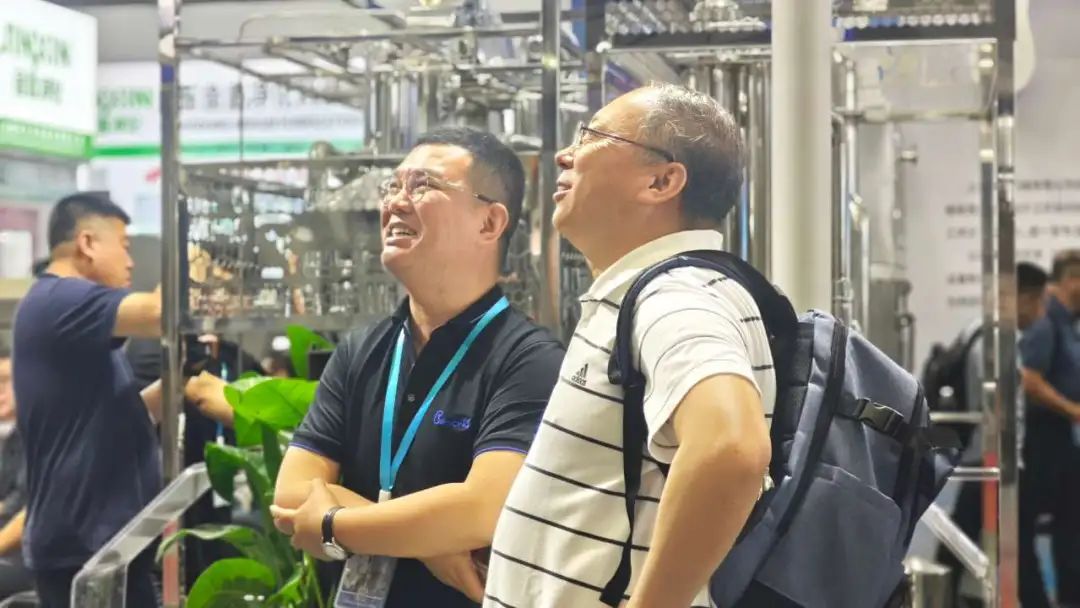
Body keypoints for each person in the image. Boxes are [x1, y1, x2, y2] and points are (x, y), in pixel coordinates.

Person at [483, 84, 774, 608]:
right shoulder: (656, 292)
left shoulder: (674, 295)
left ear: (661, 182)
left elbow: (732, 450)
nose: (565, 154)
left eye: (592, 137)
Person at [255, 127, 565, 607]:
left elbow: (482, 510)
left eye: (423, 186)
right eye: (393, 186)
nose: (396, 202)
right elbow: (292, 493)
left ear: (489, 222)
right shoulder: (362, 351)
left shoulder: (529, 359)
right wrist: (430, 545)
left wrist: (335, 523)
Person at [10, 193, 211, 608]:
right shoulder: (59, 300)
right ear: (87, 243)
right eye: (124, 245)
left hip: (113, 544)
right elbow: (160, 313)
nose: (131, 262)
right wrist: (194, 255)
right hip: (81, 549)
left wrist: (181, 376)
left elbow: (126, 414)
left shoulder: (76, 318)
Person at [934, 261, 1047, 607]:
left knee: (963, 548)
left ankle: (949, 598)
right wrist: (1006, 463)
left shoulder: (979, 330)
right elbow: (999, 405)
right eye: (1039, 301)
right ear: (1024, 298)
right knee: (1014, 553)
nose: (1041, 312)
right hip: (993, 460)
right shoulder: (998, 339)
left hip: (985, 458)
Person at [1019, 249, 1080, 608]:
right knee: (1026, 524)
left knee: (1070, 526)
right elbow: (1029, 380)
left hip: (1062, 441)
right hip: (1044, 440)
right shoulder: (1046, 322)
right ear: (1071, 280)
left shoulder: (1067, 323)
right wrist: (1073, 410)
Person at [0, 351, 32, 599]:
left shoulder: (43, 437)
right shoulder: (12, 438)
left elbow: (30, 511)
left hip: (30, 551)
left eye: (4, 381)